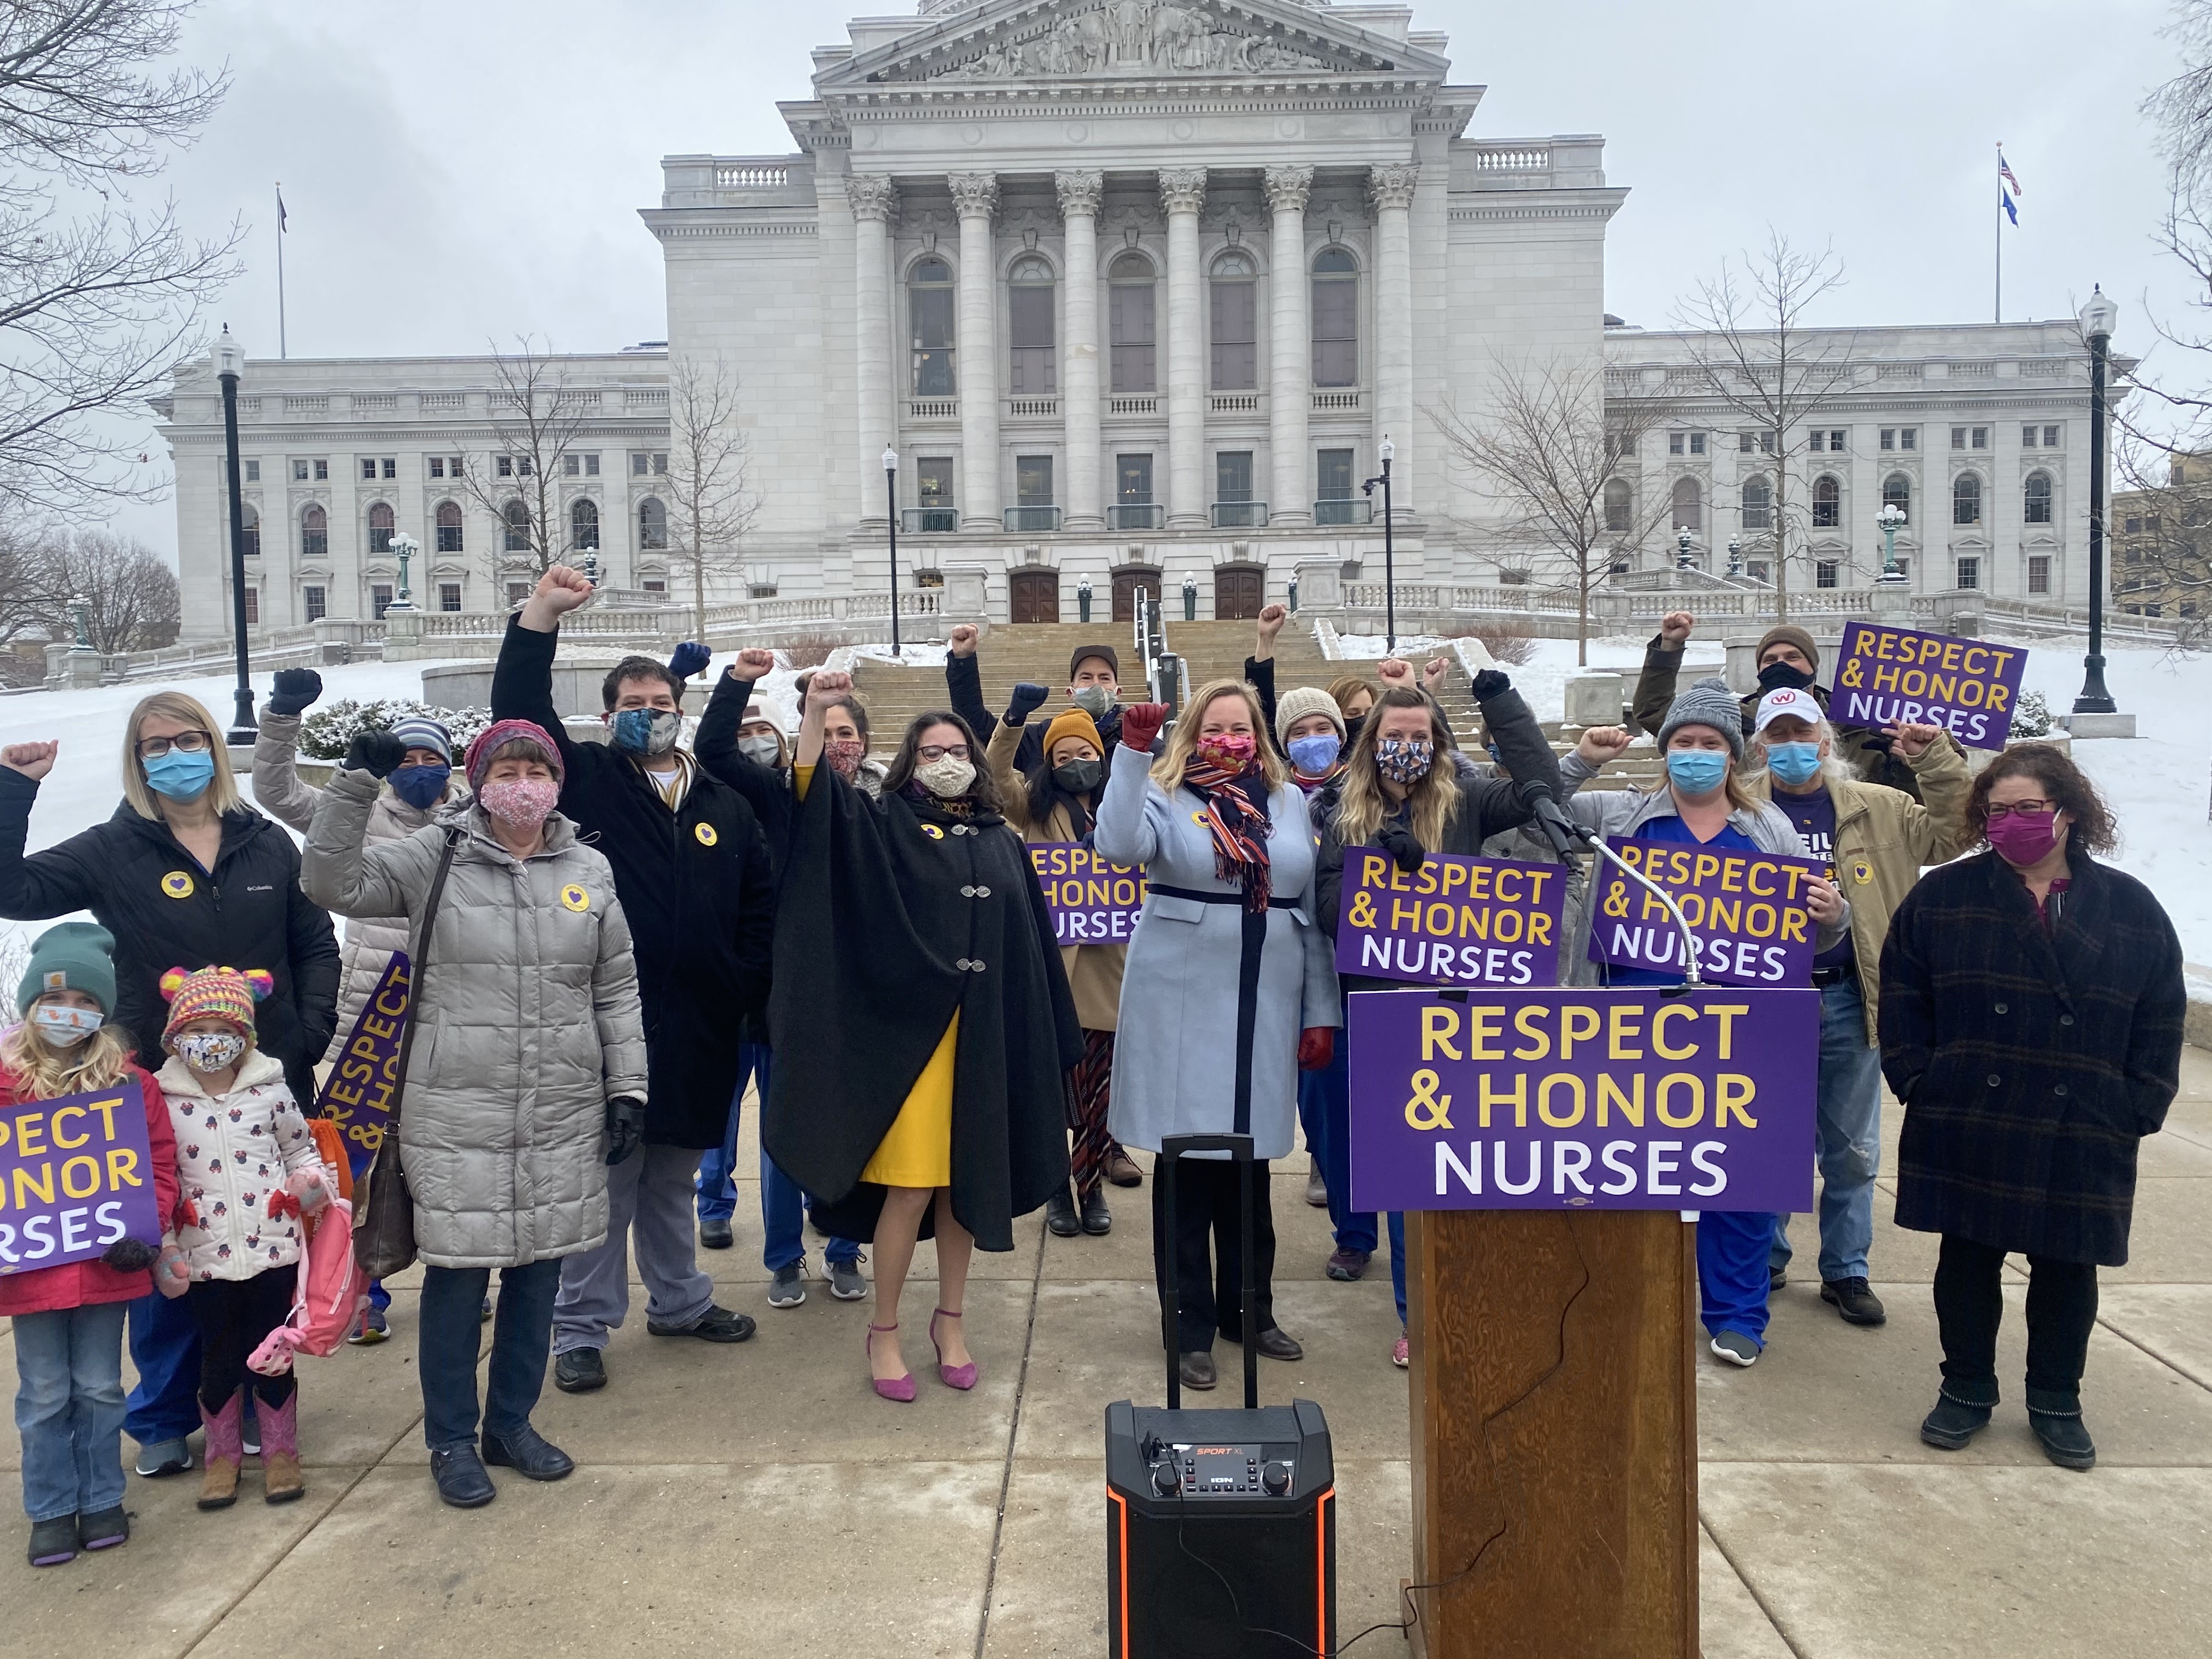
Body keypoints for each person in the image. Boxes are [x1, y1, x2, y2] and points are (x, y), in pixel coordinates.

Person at [303, 716, 649, 1506]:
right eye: (507, 769)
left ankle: (512, 1424)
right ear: (479, 776)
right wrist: (354, 785)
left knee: (538, 1277)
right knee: (460, 1282)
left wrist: (628, 1087)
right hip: (456, 1105)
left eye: (537, 769)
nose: (522, 784)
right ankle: (451, 1438)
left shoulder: (587, 867)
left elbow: (614, 986)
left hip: (561, 1105)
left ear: (557, 781)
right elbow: (332, 884)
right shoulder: (439, 853)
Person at [0, 692, 339, 1482]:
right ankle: (161, 1412)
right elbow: (11, 891)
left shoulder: (266, 844)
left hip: (265, 1085)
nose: (175, 754)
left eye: (189, 739)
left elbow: (315, 944)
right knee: (163, 1248)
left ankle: (260, 1402)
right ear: (137, 758)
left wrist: (306, 1033)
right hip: (158, 1093)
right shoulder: (111, 849)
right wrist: (15, 791)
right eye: (157, 744)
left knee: (262, 1249)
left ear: (215, 749)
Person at [490, 569, 773, 1398]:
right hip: (605, 1022)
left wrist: (743, 980)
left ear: (679, 710)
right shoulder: (583, 782)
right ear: (608, 713)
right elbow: (519, 709)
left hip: (700, 1021)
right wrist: (541, 616)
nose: (648, 710)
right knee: (605, 1178)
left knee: (673, 1174)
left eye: (661, 698)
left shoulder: (722, 799)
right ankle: (580, 1325)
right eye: (632, 701)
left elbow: (758, 902)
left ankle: (681, 1301)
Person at [765, 673, 1081, 1402]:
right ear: (911, 761)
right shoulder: (884, 825)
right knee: (909, 1190)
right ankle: (884, 1330)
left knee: (966, 1189)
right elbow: (813, 798)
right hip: (915, 1045)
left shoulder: (1002, 838)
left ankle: (951, 1322)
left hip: (985, 1041)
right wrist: (814, 713)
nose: (946, 758)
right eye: (931, 749)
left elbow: (1028, 942)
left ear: (976, 758)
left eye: (957, 748)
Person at [1881, 746, 2184, 1471]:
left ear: (2068, 812)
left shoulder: (2131, 908)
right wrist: (1919, 1078)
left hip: (2083, 1119)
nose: (2010, 822)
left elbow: (2161, 1013)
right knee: (1967, 1259)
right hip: (1970, 1113)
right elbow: (1902, 997)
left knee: (2067, 1269)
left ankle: (2056, 1399)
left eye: (2027, 809)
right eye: (1997, 811)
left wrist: (2139, 1103)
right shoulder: (1944, 897)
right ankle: (1967, 1389)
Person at [1559, 677, 1848, 1369]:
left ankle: (1737, 1313)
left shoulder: (1770, 829)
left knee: (1738, 1175)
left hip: (1739, 1031)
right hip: (1632, 1027)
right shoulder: (1618, 817)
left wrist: (1834, 920)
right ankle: (1627, 1300)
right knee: (1629, 1171)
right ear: (1665, 753)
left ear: (1734, 755)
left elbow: (1810, 938)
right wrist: (1582, 760)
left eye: (1710, 744)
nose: (1696, 754)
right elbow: (1527, 806)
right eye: (1684, 743)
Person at [1094, 680, 1340, 1392]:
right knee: (1189, 1167)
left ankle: (1249, 1310)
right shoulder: (1164, 793)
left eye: (1241, 728)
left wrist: (1319, 1010)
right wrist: (1132, 754)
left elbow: (1303, 910)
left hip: (1266, 995)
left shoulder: (1289, 798)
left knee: (1250, 1168)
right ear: (1193, 733)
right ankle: (1189, 1325)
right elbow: (1116, 847)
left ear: (1258, 734)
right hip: (1183, 998)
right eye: (1216, 728)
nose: (1230, 740)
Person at [1313, 673, 1560, 1367]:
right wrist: (1389, 885)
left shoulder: (1469, 801)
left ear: (1437, 743)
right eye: (1394, 737)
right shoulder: (1344, 815)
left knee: (1465, 1166)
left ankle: (1474, 1295)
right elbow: (1329, 908)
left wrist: (1499, 697)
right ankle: (1416, 1315)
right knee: (1404, 1171)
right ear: (1372, 744)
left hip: (1463, 1014)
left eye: (1419, 737)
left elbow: (1544, 784)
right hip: (1383, 1014)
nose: (1406, 748)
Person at [251, 670, 468, 1345]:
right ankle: (362, 1290)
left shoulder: (471, 821)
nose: (421, 770)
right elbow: (276, 791)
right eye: (408, 760)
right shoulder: (356, 813)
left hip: (455, 1008)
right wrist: (282, 720)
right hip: (372, 1014)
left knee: (449, 1154)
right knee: (360, 1158)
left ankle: (456, 1279)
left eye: (434, 759)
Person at [1742, 686, 1969, 1324]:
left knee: (1851, 1147)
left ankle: (1846, 1268)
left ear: (1825, 739)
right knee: (1765, 1135)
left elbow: (1953, 835)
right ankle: (1766, 1256)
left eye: (1803, 733)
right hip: (1767, 1002)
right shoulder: (1737, 813)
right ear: (1761, 745)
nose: (1792, 747)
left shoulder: (1882, 807)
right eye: (1778, 735)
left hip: (1847, 994)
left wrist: (1937, 762)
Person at [690, 650, 868, 1306]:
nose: (834, 746)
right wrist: (743, 684)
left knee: (843, 1126)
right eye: (823, 732)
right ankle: (785, 1256)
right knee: (777, 1133)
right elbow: (713, 746)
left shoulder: (873, 812)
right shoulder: (772, 796)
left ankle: (845, 1248)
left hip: (841, 993)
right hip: (766, 992)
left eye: (847, 734)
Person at [3, 923, 180, 1567]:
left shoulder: (132, 1084)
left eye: (86, 1003)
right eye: (57, 999)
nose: (69, 1013)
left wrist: (145, 1229)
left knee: (103, 1387)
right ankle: (50, 1509)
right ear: (30, 1005)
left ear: (103, 1012)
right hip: (29, 1272)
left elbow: (161, 1165)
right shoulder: (3, 1086)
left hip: (107, 1267)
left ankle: (103, 1495)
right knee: (44, 1393)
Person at [153, 964, 329, 1511]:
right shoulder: (162, 1100)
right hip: (204, 1255)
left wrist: (310, 1185)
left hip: (272, 1244)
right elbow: (157, 1174)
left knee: (273, 1350)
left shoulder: (270, 1091)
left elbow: (301, 1149)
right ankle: (222, 1458)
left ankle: (281, 1452)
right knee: (219, 1354)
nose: (211, 1041)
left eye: (224, 1030)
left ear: (244, 1037)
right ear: (176, 1037)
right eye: (198, 1029)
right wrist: (165, 1244)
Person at [984, 693, 1130, 1238]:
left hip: (1111, 967)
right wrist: (1012, 721)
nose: (1075, 764)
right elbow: (997, 775)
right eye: (1062, 756)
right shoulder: (1035, 807)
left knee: (1098, 1093)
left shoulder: (1124, 805)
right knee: (1053, 1093)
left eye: (1083, 754)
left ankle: (1089, 1186)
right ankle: (1054, 1190)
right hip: (1054, 970)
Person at [1631, 613, 1920, 795]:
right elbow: (1655, 712)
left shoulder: (1861, 722)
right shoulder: (1734, 720)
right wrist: (1668, 649)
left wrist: (1911, 763)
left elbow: (1911, 806)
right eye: (1770, 660)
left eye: (1792, 657)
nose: (1781, 664)